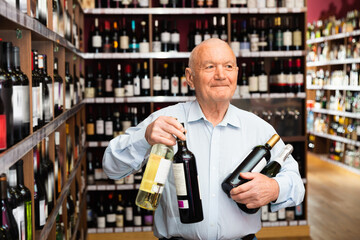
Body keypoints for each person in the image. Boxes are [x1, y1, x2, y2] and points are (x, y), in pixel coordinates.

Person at [102, 38, 305, 240]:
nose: (221, 75)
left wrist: (274, 188)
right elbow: (111, 167)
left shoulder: (258, 128)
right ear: (190, 77)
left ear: (236, 73)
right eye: (210, 67)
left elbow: (297, 185)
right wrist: (144, 138)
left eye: (228, 66)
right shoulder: (164, 122)